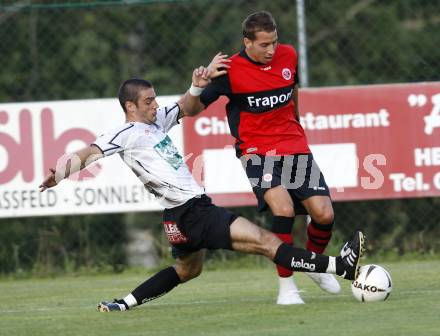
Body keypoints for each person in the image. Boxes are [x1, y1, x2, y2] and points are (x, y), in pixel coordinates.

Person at [39, 60, 365, 313]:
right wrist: (61, 172)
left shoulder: (155, 123)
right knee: (267, 241)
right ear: (130, 107)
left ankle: (122, 304)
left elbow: (185, 107)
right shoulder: (125, 134)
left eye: (154, 100)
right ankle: (339, 266)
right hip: (194, 211)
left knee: (187, 269)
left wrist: (197, 86)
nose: (155, 105)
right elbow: (88, 153)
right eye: (148, 101)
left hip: (176, 217)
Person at [197, 11, 341, 304]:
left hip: (293, 145)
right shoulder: (228, 69)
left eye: (274, 42)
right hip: (256, 151)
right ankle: (287, 288)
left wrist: (296, 123)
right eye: (264, 45)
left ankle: (313, 263)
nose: (271, 50)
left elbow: (293, 89)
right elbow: (191, 108)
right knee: (284, 210)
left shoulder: (288, 55)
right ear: (247, 42)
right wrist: (198, 84)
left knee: (324, 214)